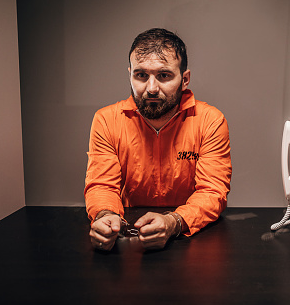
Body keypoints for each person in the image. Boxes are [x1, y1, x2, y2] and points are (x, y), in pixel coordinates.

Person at [85, 28, 232, 251]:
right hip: (129, 238)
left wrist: (174, 222)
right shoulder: (106, 120)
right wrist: (105, 215)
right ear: (130, 75)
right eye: (141, 75)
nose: (151, 88)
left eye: (163, 75)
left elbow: (212, 191)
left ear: (185, 79)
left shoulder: (210, 121)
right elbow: (102, 185)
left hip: (191, 240)